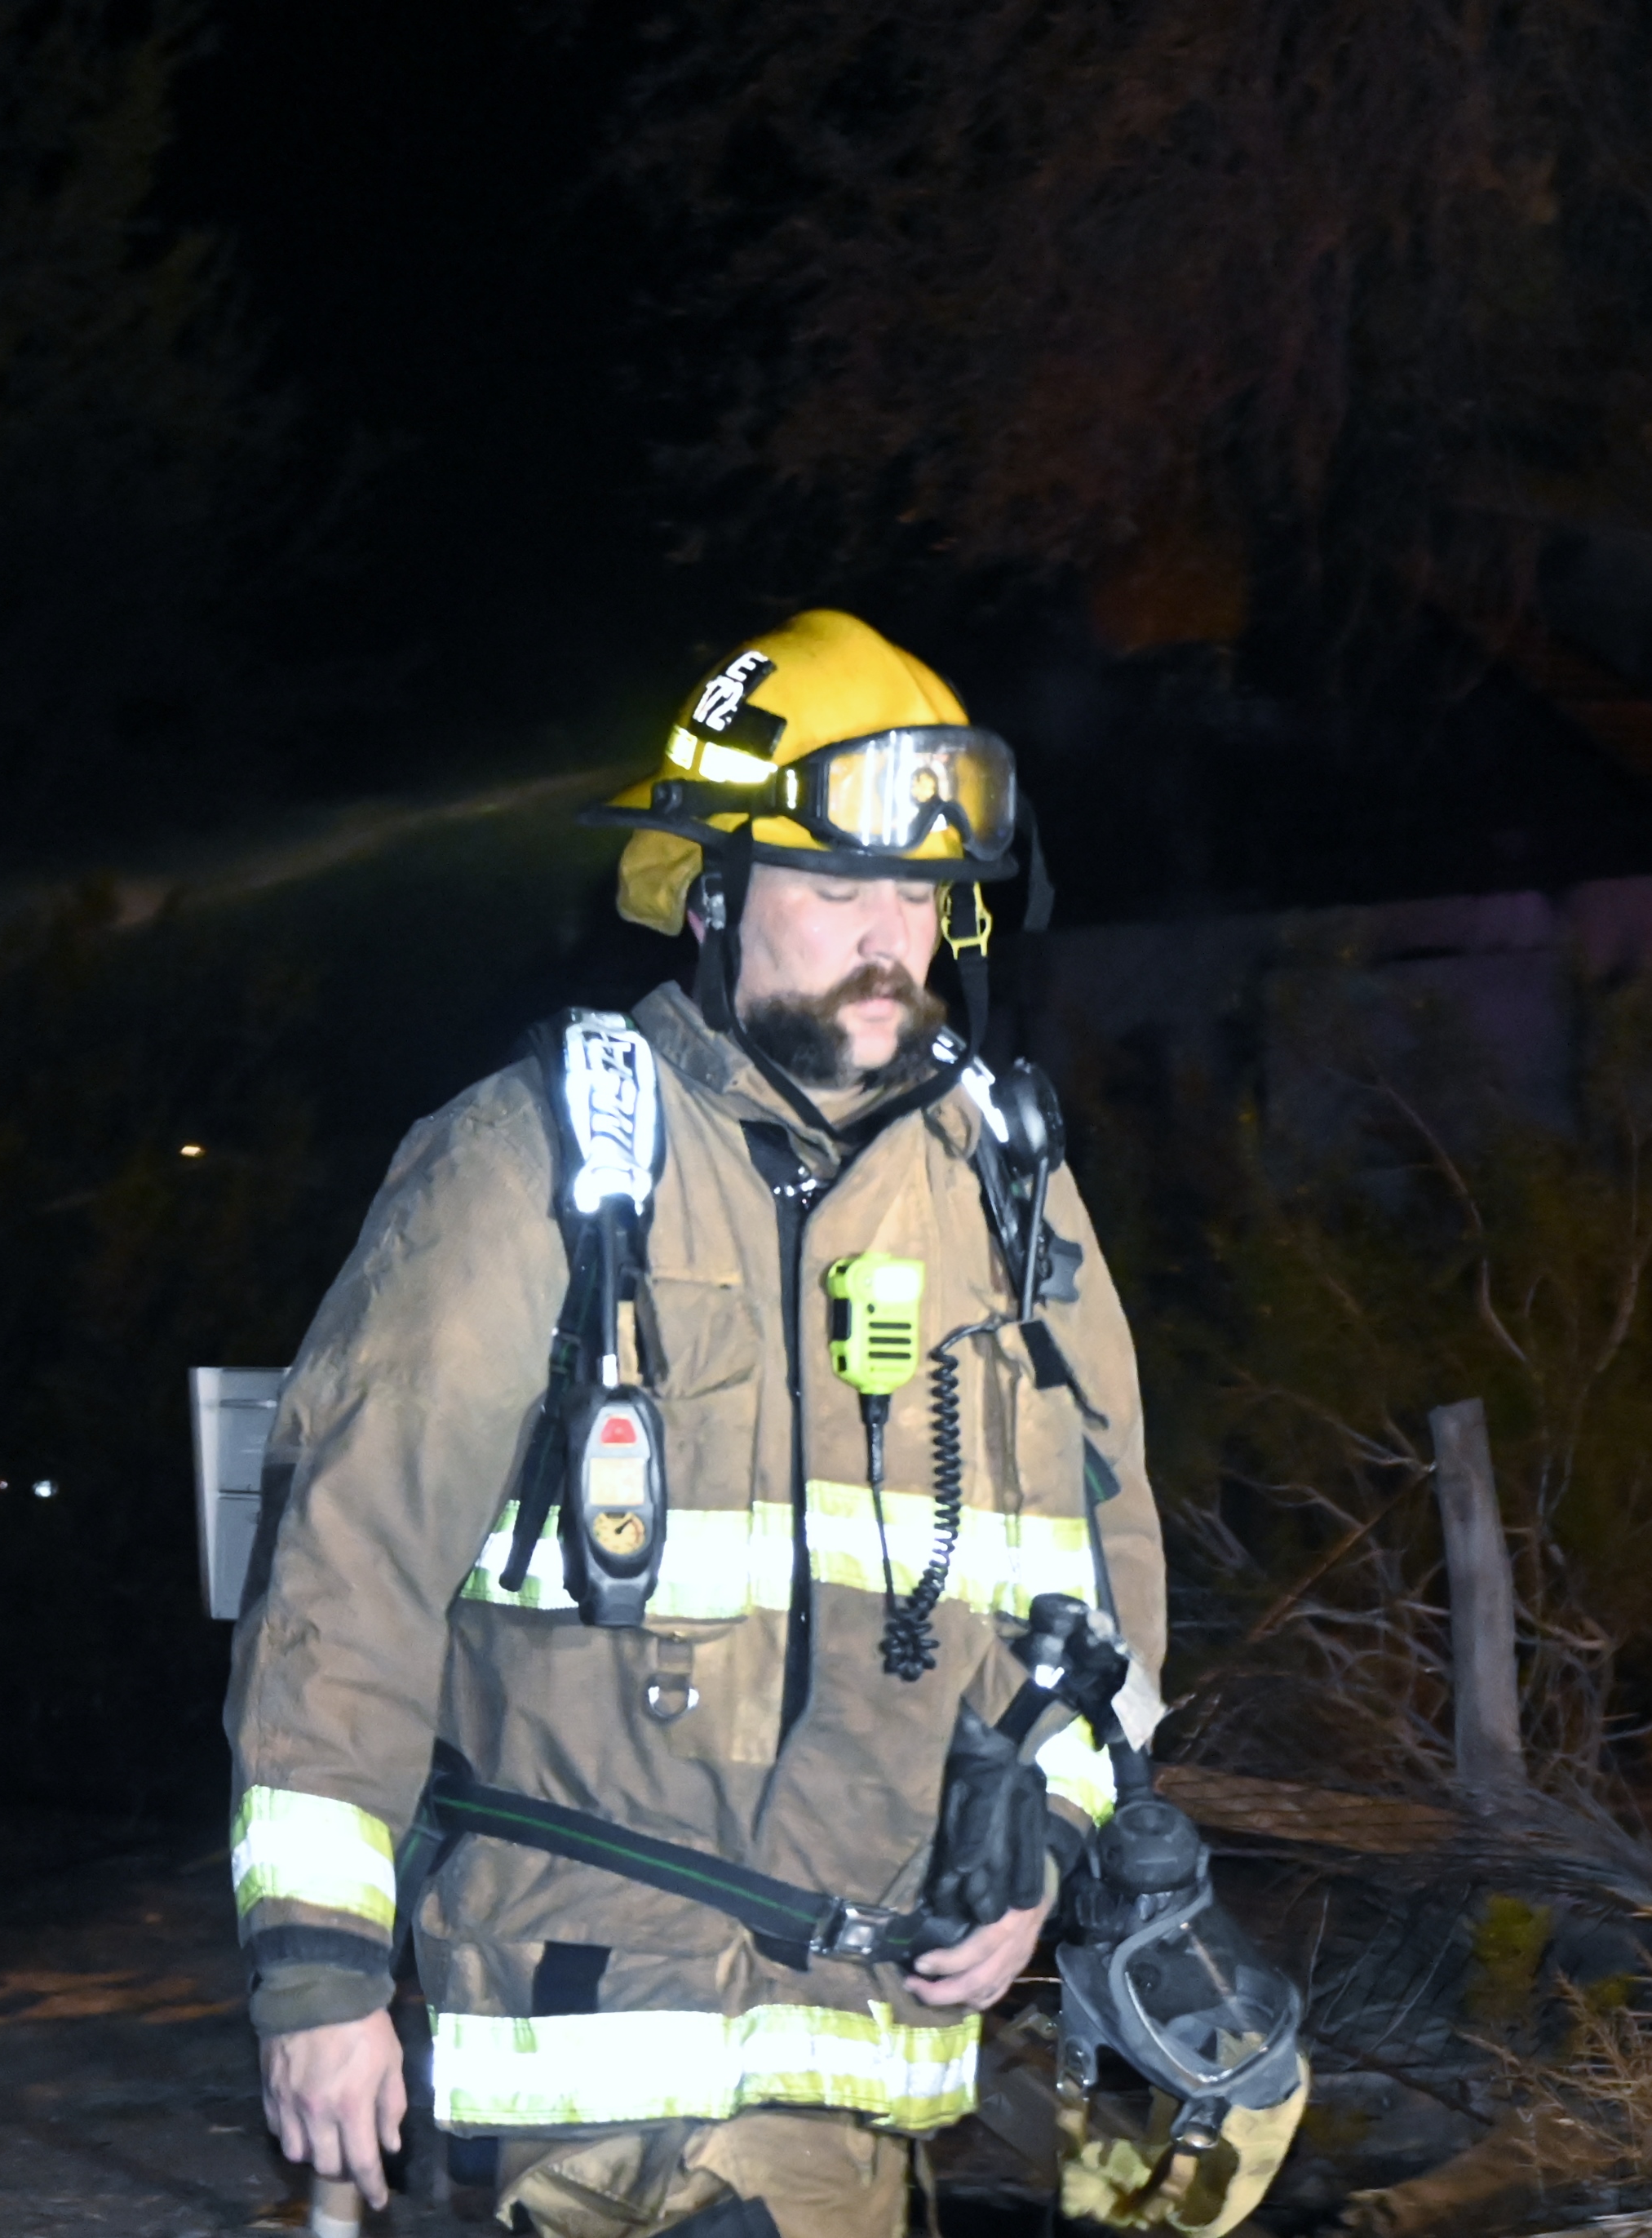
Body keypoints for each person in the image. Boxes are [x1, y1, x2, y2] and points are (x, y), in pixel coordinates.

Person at [225, 609, 1167, 2237]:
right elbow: (347, 1573)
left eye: (921, 897)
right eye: (838, 888)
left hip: (872, 2048)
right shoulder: (531, 1163)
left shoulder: (1005, 1194)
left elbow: (1102, 1582)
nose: (890, 937)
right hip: (597, 2032)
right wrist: (319, 1967)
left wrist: (1046, 1841)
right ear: (712, 894)